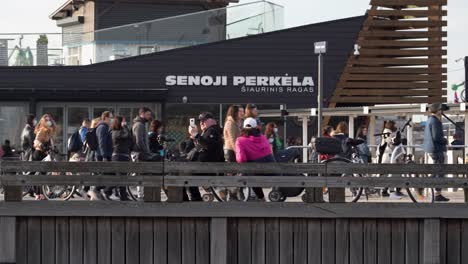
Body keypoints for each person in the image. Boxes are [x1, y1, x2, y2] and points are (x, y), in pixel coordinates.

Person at [235, 117, 275, 201]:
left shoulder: (240, 140)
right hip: (272, 173)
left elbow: (241, 159)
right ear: (256, 127)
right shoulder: (263, 137)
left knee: (250, 173)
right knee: (253, 172)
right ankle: (262, 199)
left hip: (256, 175)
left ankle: (261, 198)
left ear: (243, 127)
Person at [188, 112, 224, 201]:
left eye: (204, 121)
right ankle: (195, 198)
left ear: (213, 121)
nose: (201, 123)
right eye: (200, 121)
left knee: (187, 175)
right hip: (206, 166)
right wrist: (195, 138)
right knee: (185, 174)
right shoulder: (208, 131)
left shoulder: (212, 130)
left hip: (208, 167)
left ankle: (196, 200)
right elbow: (203, 147)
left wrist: (196, 135)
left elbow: (208, 145)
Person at [423, 103, 450, 202]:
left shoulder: (429, 120)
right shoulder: (435, 121)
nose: (442, 112)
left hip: (431, 148)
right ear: (438, 111)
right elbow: (436, 137)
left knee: (436, 170)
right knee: (440, 170)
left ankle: (428, 185)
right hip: (437, 149)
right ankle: (436, 193)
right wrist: (445, 140)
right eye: (441, 110)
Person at [33, 114, 57, 200]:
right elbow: (36, 141)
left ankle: (42, 193)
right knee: (40, 174)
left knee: (43, 174)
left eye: (49, 119)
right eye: (46, 120)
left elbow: (50, 143)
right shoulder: (42, 130)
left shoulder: (49, 131)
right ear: (43, 122)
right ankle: (38, 194)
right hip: (39, 153)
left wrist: (53, 148)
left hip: (45, 154)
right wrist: (41, 145)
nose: (48, 121)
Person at [91, 111, 114, 200]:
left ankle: (102, 192)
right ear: (106, 118)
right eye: (111, 117)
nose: (112, 119)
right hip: (102, 155)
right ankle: (96, 190)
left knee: (108, 175)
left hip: (105, 154)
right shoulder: (102, 128)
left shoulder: (105, 127)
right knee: (108, 175)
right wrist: (104, 156)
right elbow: (101, 142)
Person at [377, 120, 402, 199]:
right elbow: (390, 142)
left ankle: (385, 191)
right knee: (390, 174)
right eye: (394, 125)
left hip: (387, 155)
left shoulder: (387, 131)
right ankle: (390, 192)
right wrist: (397, 139)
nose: (395, 127)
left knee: (388, 174)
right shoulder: (386, 132)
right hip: (386, 155)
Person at [110, 116, 132, 201]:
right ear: (119, 122)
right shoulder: (116, 132)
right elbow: (126, 135)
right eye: (123, 121)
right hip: (118, 156)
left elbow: (129, 137)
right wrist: (125, 127)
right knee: (120, 177)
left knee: (122, 176)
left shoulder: (121, 131)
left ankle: (123, 195)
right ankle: (107, 191)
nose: (125, 122)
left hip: (124, 155)